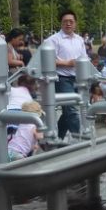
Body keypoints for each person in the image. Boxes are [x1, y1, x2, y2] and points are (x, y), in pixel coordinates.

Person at [45, 10, 87, 140]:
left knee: (68, 111)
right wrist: (67, 63)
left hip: (78, 78)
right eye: (65, 21)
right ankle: (78, 140)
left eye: (71, 21)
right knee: (71, 111)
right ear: (61, 23)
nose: (68, 24)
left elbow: (84, 58)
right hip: (62, 79)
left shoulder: (80, 40)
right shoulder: (53, 40)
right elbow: (47, 60)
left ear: (75, 23)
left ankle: (57, 138)